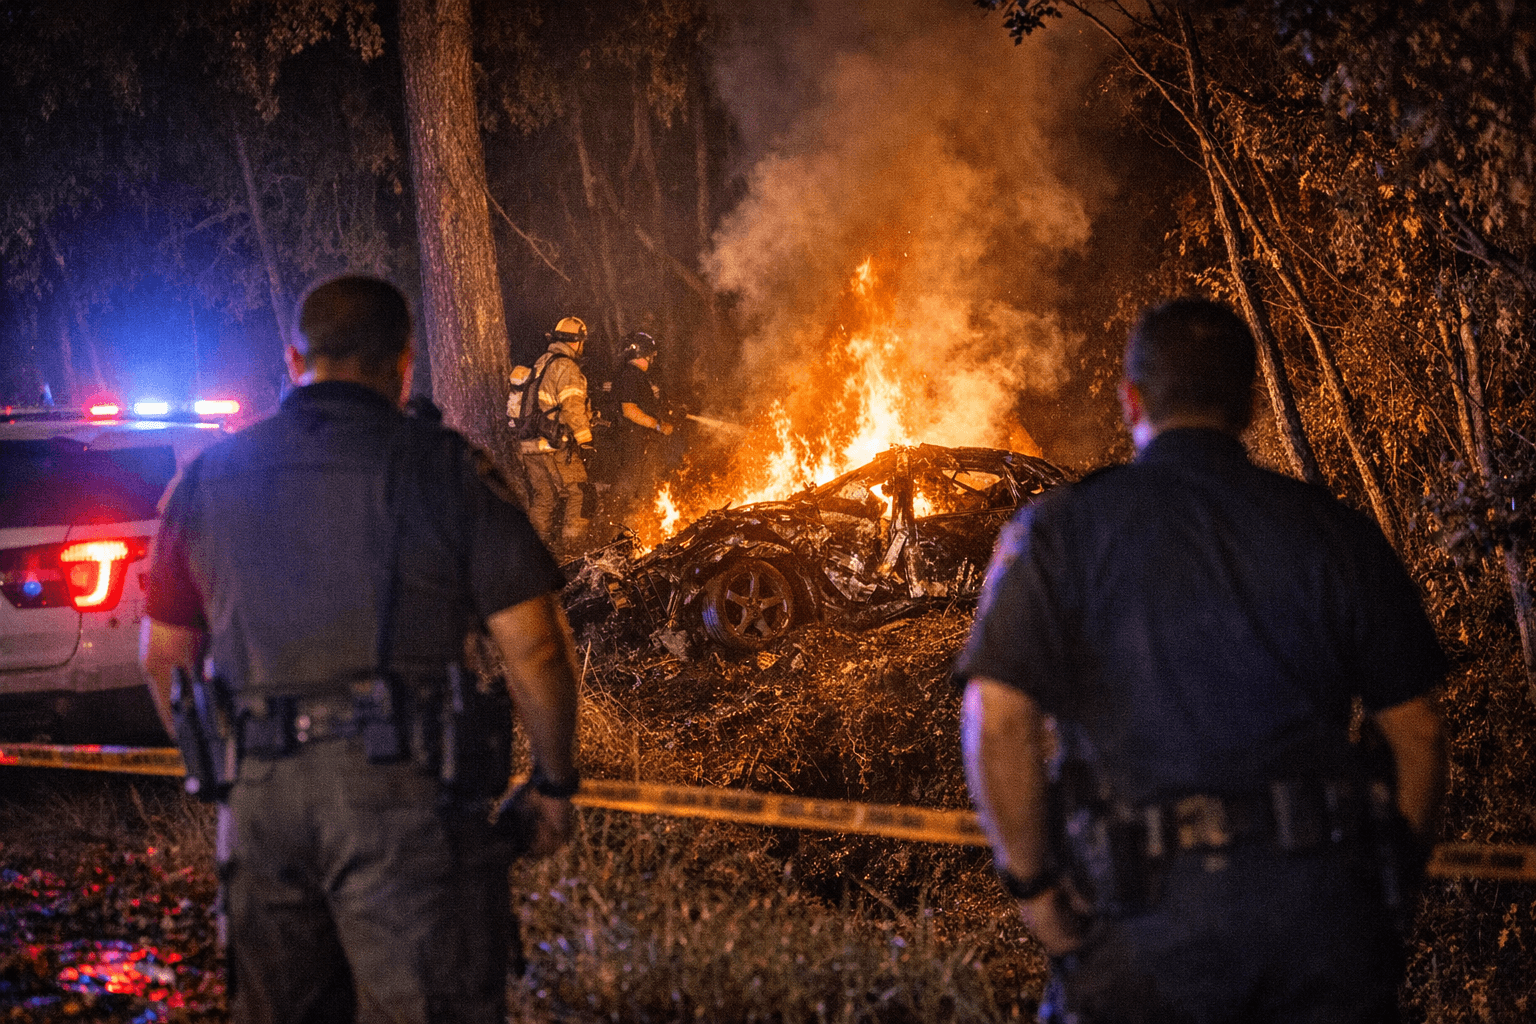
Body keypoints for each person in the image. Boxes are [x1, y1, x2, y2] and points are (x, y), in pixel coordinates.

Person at [956, 297, 1447, 1024]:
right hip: (1320, 926)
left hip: (1144, 925)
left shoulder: (1062, 531)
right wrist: (1390, 890)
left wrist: (1035, 891)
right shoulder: (1333, 530)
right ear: (1249, 404)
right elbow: (1421, 734)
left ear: (1131, 401)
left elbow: (996, 720)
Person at [139, 276, 581, 1024]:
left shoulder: (206, 479)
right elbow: (535, 645)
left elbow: (163, 655)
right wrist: (553, 782)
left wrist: (226, 774)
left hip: (262, 806)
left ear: (293, 358)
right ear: (403, 363)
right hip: (405, 802)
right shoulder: (446, 470)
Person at [511, 316, 595, 558]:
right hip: (552, 445)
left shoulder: (542, 361)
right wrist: (585, 439)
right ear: (576, 341)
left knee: (545, 498)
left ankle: (531, 554)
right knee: (580, 492)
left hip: (529, 445)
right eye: (582, 342)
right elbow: (571, 406)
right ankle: (574, 554)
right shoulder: (567, 367)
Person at [609, 330, 683, 520]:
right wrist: (658, 425)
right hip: (633, 441)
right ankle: (624, 522)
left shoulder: (636, 376)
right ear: (642, 353)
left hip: (639, 442)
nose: (653, 358)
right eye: (651, 354)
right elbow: (630, 410)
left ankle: (636, 520)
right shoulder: (631, 375)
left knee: (643, 484)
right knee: (633, 484)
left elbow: (647, 403)